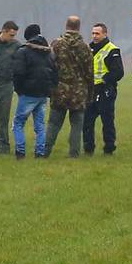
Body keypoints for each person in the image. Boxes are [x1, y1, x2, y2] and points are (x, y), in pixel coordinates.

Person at [46, 16, 95, 158]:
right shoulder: (85, 47)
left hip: (59, 90)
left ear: (66, 26)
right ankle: (74, 154)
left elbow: (50, 67)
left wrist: (50, 87)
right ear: (78, 27)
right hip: (79, 92)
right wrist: (90, 94)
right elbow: (89, 73)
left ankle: (44, 152)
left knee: (54, 124)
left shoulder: (56, 44)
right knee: (76, 125)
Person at [12, 23, 58, 158]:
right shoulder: (49, 52)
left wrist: (19, 89)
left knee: (18, 123)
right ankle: (40, 152)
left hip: (27, 93)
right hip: (43, 93)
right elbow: (55, 73)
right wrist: (50, 89)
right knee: (40, 126)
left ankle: (20, 152)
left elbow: (18, 73)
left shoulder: (23, 51)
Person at [83, 22, 123, 155]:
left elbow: (118, 72)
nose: (94, 36)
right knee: (87, 121)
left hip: (105, 90)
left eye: (97, 33)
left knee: (107, 121)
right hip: (90, 90)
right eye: (93, 33)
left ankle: (109, 148)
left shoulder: (112, 50)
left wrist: (106, 79)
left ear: (105, 34)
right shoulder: (88, 49)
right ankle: (88, 148)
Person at [0, 21, 22, 154]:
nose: (13, 38)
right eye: (11, 35)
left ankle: (3, 146)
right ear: (4, 31)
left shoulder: (17, 46)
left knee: (4, 118)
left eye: (14, 35)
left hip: (6, 85)